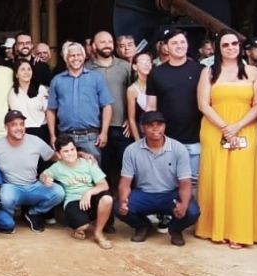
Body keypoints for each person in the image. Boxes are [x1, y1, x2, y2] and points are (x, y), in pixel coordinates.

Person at [194, 31, 257, 248]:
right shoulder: (208, 72)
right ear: (219, 48)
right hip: (215, 129)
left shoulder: (253, 71)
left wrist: (237, 126)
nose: (231, 47)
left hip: (245, 128)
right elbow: (203, 104)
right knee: (215, 176)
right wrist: (225, 127)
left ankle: (240, 231)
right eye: (225, 45)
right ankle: (214, 228)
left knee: (242, 179)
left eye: (234, 43)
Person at [115, 111, 199, 245]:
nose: (155, 128)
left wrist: (183, 203)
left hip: (170, 194)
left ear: (164, 126)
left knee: (192, 211)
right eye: (150, 125)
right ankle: (142, 226)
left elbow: (185, 182)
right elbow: (125, 181)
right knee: (118, 207)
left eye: (159, 124)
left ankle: (175, 229)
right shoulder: (132, 150)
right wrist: (124, 201)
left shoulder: (178, 148)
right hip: (144, 194)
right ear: (142, 128)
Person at [0, 110, 65, 233]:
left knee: (59, 192)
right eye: (14, 124)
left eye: (22, 124)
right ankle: (8, 216)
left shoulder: (35, 141)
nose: (19, 128)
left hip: (33, 186)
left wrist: (79, 154)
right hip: (11, 187)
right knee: (5, 197)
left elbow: (55, 157)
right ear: (6, 127)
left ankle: (33, 213)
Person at [146, 28, 203, 182]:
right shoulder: (156, 73)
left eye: (182, 42)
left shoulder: (200, 70)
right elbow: (151, 107)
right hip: (168, 141)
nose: (179, 46)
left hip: (196, 139)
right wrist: (152, 135)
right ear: (166, 47)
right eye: (174, 43)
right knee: (168, 182)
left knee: (194, 183)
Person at [87, 31, 133, 211]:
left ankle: (125, 209)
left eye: (109, 41)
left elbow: (136, 94)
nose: (107, 45)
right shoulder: (87, 68)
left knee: (125, 171)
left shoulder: (125, 67)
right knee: (101, 173)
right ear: (94, 46)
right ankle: (106, 214)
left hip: (123, 127)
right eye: (102, 42)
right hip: (98, 130)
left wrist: (132, 119)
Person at [41, 135, 114, 249]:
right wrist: (45, 179)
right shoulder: (57, 167)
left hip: (91, 197)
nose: (70, 153)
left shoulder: (88, 163)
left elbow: (104, 185)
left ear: (76, 149)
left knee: (107, 198)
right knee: (82, 226)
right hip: (73, 200)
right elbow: (43, 174)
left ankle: (98, 233)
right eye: (65, 151)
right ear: (59, 154)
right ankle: (84, 225)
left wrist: (88, 192)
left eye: (72, 149)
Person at [46, 42, 113, 163]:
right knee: (69, 176)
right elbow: (51, 109)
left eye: (79, 55)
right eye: (72, 55)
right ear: (66, 58)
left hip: (91, 137)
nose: (76, 58)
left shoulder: (96, 78)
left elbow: (107, 106)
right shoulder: (57, 80)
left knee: (94, 175)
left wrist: (104, 133)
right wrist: (52, 136)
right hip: (66, 137)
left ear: (84, 56)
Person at [8, 58, 49, 143]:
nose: (26, 72)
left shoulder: (41, 89)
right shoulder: (12, 92)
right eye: (22, 69)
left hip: (40, 131)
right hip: (20, 133)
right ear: (16, 74)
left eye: (29, 69)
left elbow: (48, 112)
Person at [125, 52, 152, 141]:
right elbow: (131, 119)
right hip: (143, 131)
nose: (146, 64)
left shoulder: (158, 83)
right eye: (143, 61)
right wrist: (137, 141)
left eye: (148, 61)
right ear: (135, 66)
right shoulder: (132, 89)